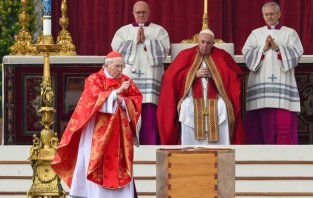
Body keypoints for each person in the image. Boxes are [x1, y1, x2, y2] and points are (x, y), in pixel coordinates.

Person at [51, 51, 142, 198]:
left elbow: (136, 100)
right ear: (107, 65)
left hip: (120, 135)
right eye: (117, 66)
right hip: (96, 134)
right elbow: (92, 101)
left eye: (122, 66)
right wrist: (116, 93)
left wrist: (123, 101)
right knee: (93, 161)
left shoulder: (126, 80)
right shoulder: (95, 79)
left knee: (120, 164)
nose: (120, 69)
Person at [157, 29, 245, 145]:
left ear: (213, 43)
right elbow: (170, 77)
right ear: (198, 41)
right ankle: (189, 147)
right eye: (202, 42)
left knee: (223, 106)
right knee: (186, 107)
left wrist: (215, 75)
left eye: (208, 43)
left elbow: (235, 76)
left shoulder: (222, 55)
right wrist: (193, 74)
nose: (204, 46)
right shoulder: (185, 55)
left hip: (216, 98)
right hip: (191, 97)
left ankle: (221, 147)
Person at [242, 2, 304, 144]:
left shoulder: (290, 33)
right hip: (260, 83)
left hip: (283, 83)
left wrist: (277, 48)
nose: (269, 17)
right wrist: (262, 49)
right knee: (260, 120)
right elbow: (247, 54)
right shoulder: (256, 33)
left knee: (283, 118)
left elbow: (296, 54)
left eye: (272, 13)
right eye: (266, 14)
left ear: (279, 14)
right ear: (263, 15)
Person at [111, 0, 170, 145]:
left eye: (144, 12)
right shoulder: (123, 32)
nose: (141, 15)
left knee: (149, 118)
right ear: (133, 13)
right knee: (129, 113)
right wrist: (135, 41)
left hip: (151, 81)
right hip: (130, 78)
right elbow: (116, 52)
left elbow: (164, 51)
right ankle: (128, 147)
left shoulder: (159, 31)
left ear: (149, 13)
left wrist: (147, 42)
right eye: (138, 12)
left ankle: (150, 148)